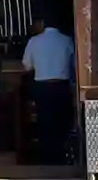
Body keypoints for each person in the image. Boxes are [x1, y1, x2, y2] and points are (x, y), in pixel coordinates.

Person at [20, 18, 77, 167]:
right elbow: (75, 65)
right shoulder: (66, 40)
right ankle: (61, 157)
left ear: (42, 24)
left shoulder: (34, 41)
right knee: (61, 122)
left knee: (44, 122)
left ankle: (46, 158)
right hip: (61, 86)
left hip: (42, 87)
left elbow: (26, 66)